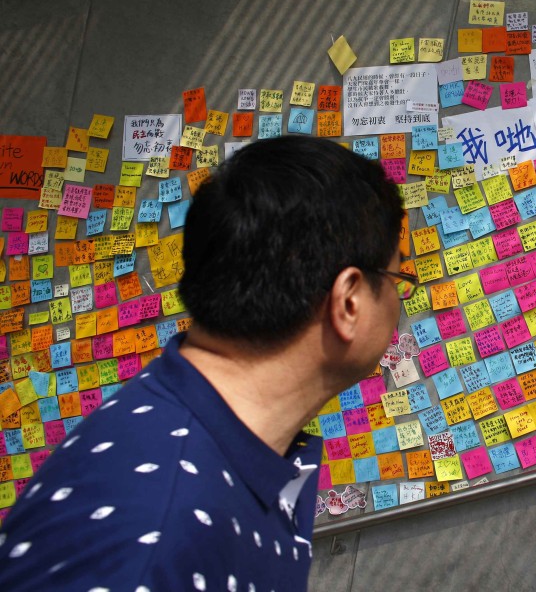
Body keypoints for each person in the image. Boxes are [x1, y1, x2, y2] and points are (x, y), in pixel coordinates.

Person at [0, 136, 409, 591]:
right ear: (349, 302)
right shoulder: (153, 537)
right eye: (397, 277)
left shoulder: (186, 439)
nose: (399, 301)